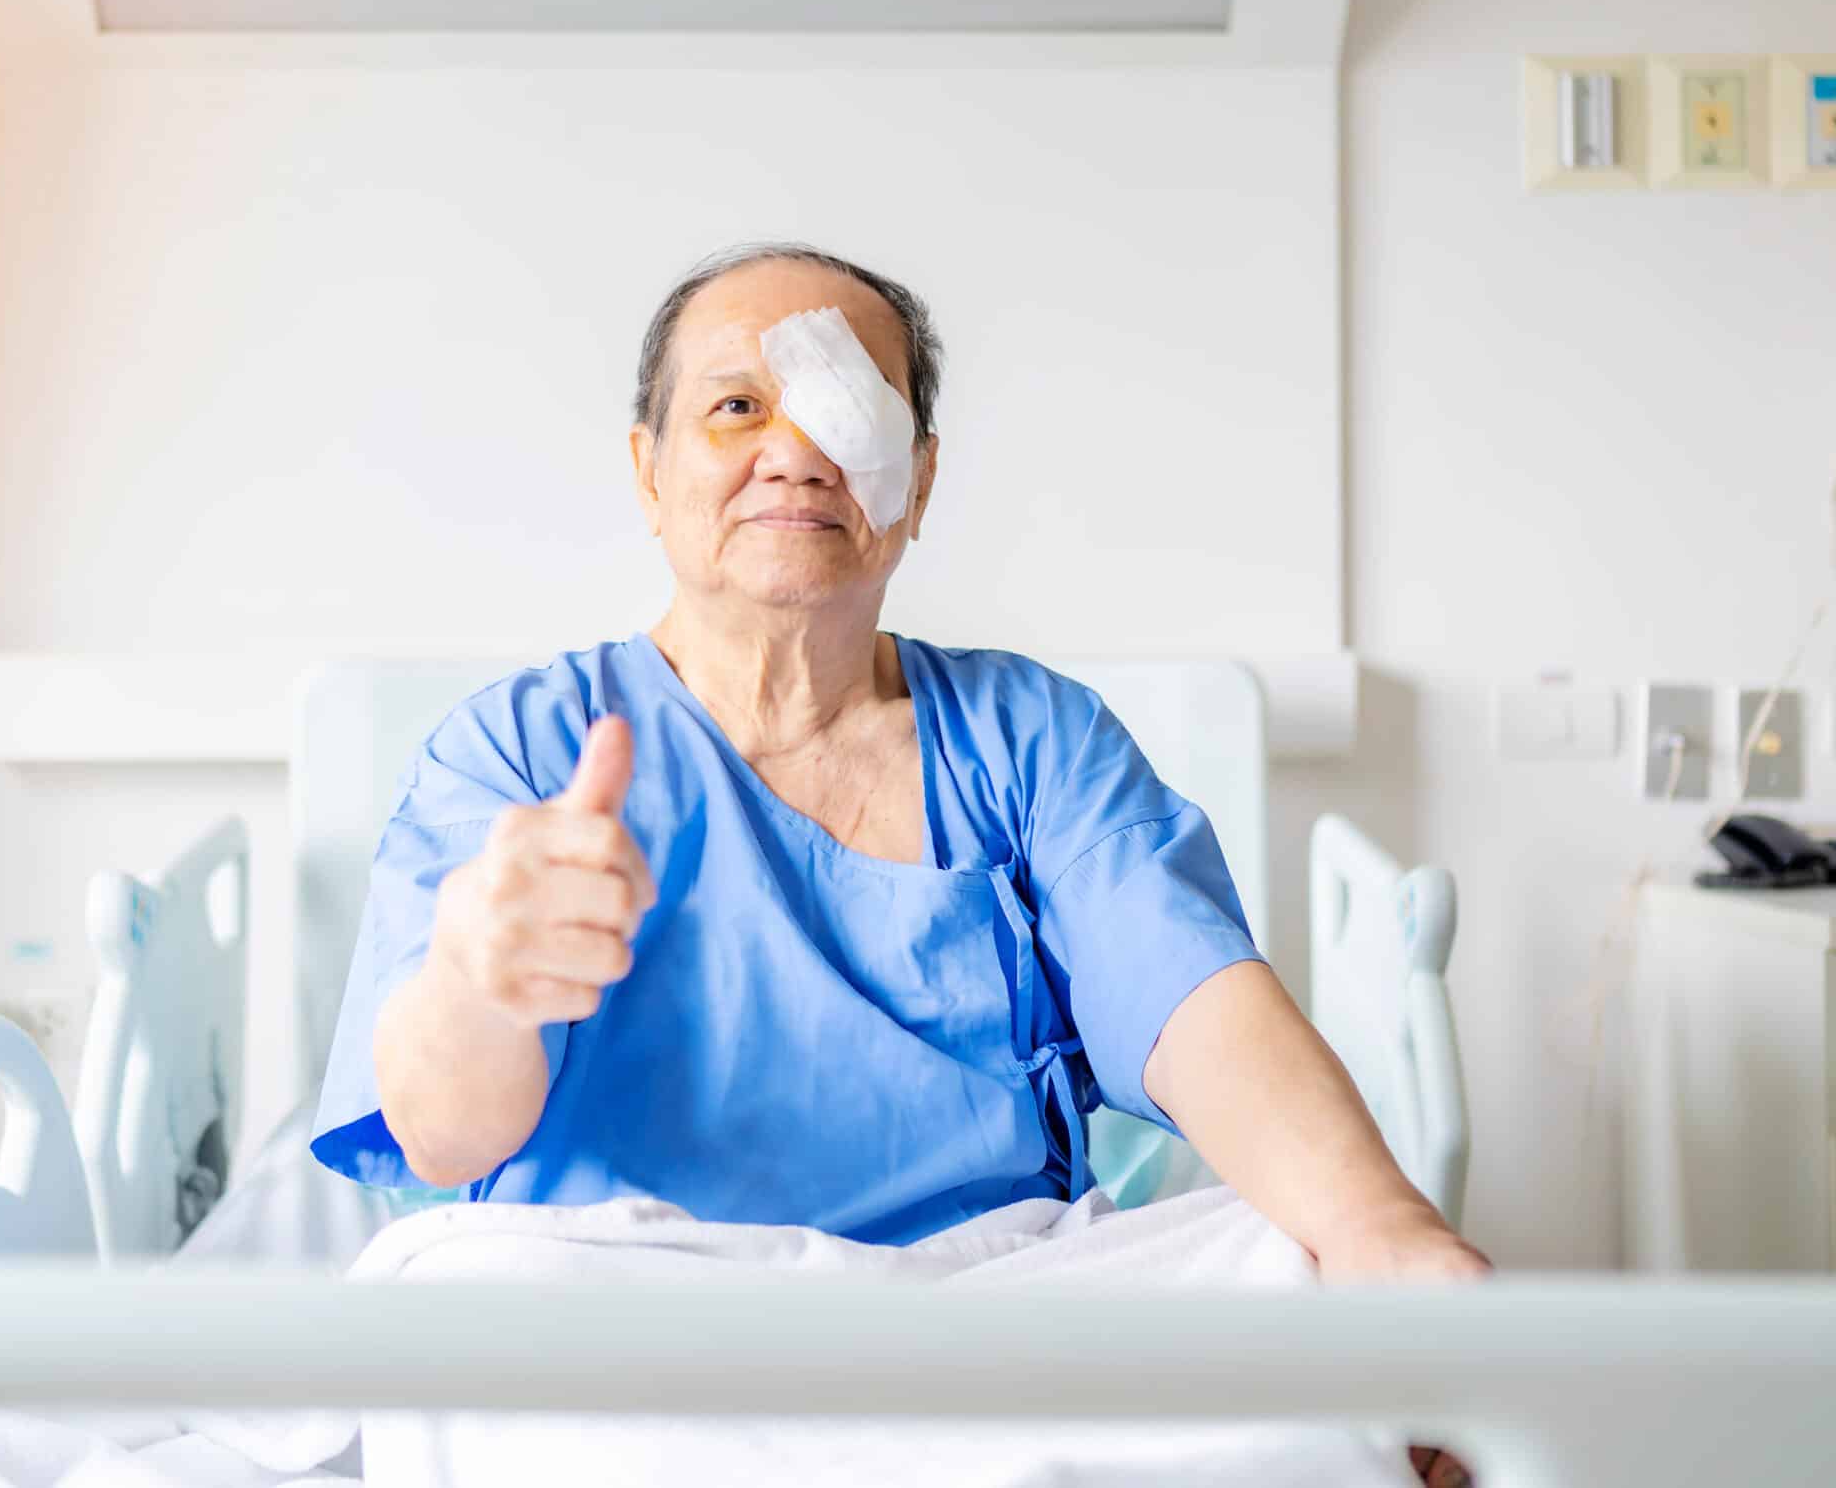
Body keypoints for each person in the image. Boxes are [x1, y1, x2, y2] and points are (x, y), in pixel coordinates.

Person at [312, 241, 1487, 1280]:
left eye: (845, 409)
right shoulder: (514, 752)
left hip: (979, 1303)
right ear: (649, 473)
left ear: (915, 482)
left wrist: (1383, 1227)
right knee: (469, 1290)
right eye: (734, 409)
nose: (795, 453)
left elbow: (1195, 1005)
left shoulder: (1032, 742)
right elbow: (442, 1140)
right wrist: (479, 981)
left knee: (1294, 1251)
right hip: (626, 1297)